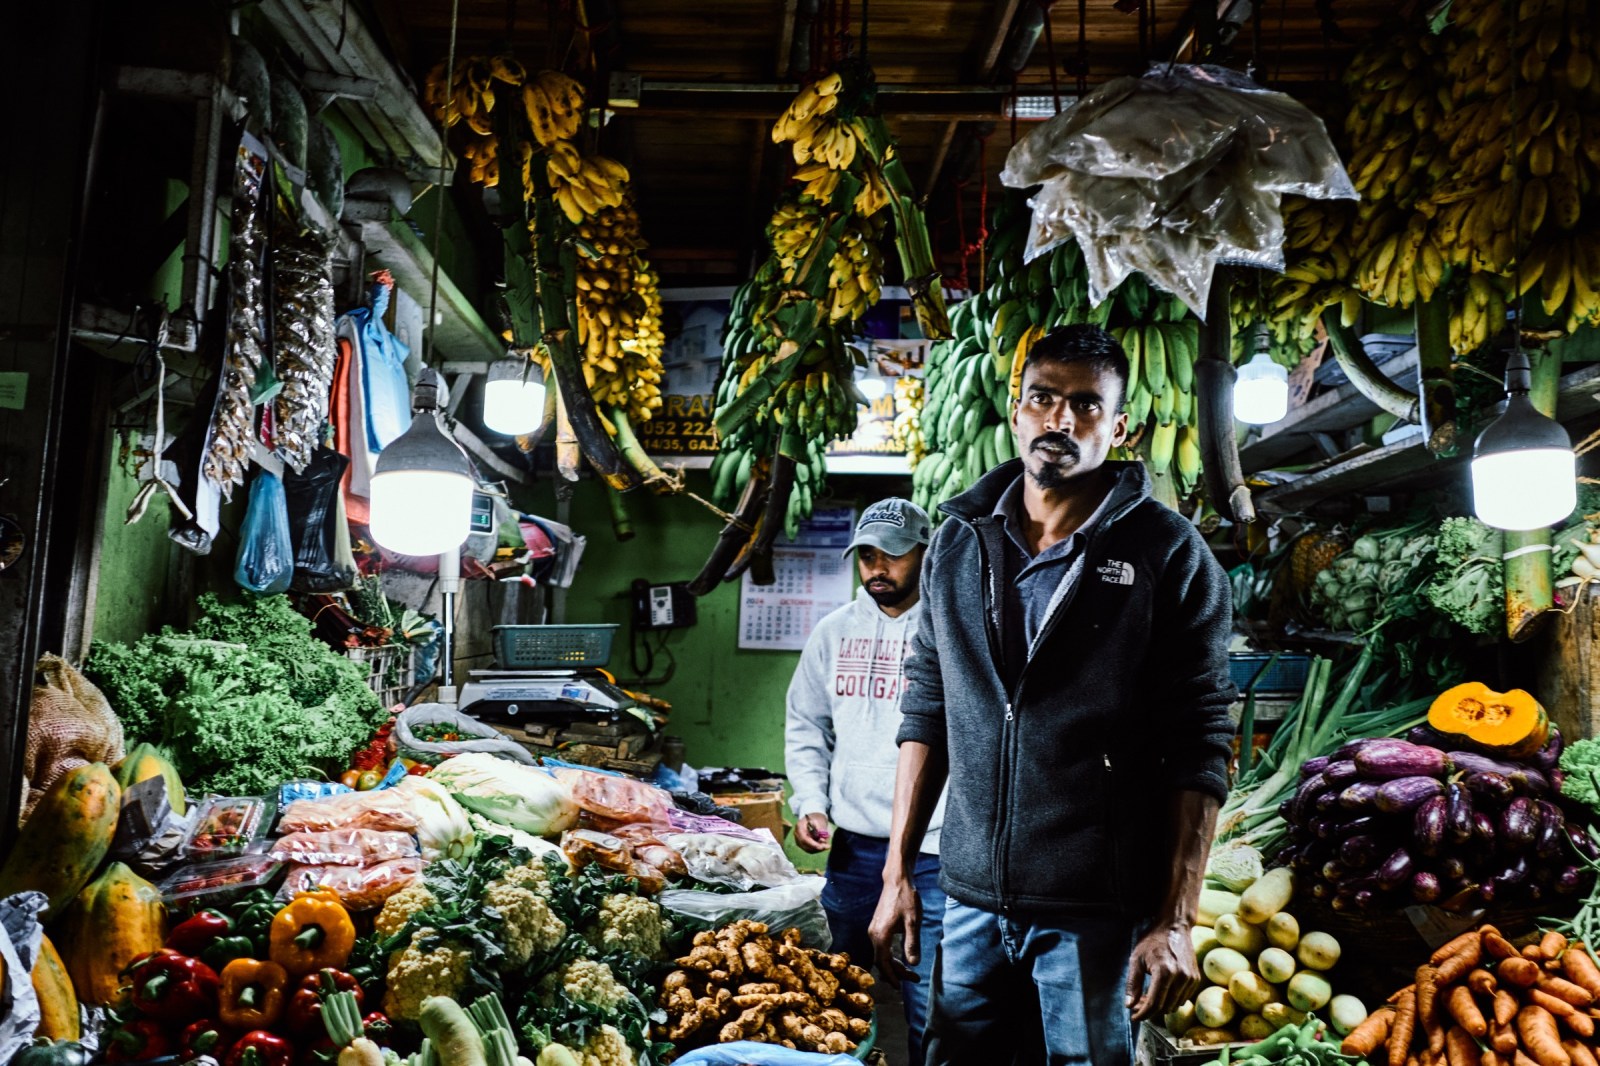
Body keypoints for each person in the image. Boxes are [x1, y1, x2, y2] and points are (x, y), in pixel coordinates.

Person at [869, 324, 1236, 1065]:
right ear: (1017, 411)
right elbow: (927, 705)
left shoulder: (1168, 554)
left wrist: (1177, 918)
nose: (1060, 421)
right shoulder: (958, 540)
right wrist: (898, 872)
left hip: (1095, 911)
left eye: (1085, 405)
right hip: (970, 898)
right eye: (1043, 398)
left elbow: (1200, 743)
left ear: (1120, 425)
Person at [786, 497, 946, 1065]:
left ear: (926, 555)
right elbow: (806, 723)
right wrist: (811, 800)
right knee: (839, 993)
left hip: (933, 851)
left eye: (894, 556)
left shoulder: (951, 630)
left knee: (930, 995)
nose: (879, 568)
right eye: (868, 556)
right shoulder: (833, 632)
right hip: (852, 850)